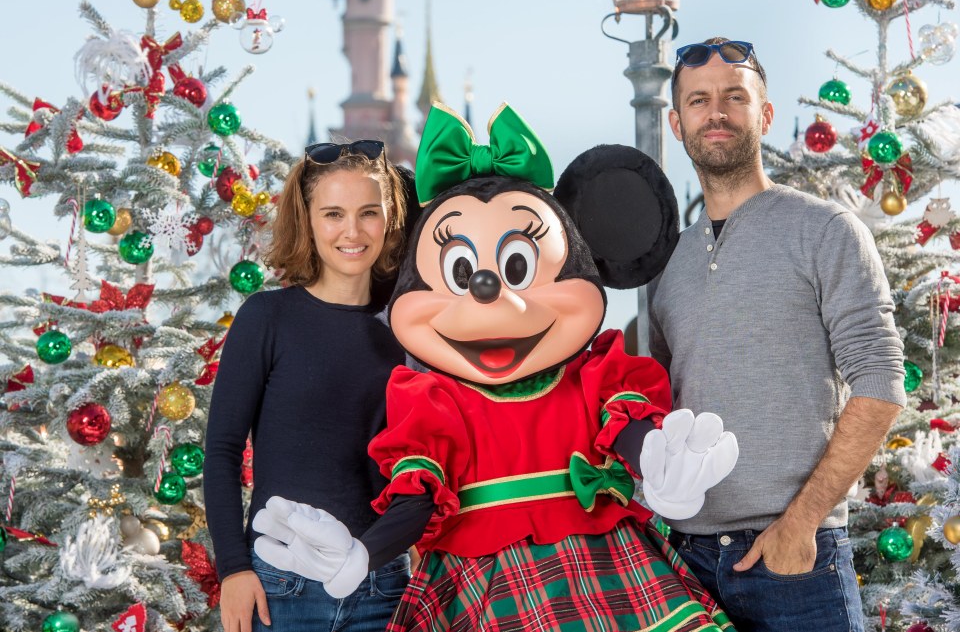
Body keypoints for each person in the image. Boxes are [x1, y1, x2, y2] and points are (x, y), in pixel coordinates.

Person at [252, 103, 740, 632]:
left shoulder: (591, 375)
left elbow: (625, 424)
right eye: (462, 272)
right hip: (482, 582)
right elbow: (419, 498)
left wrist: (656, 461)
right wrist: (361, 555)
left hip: (604, 565)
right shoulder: (433, 400)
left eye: (517, 267)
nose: (489, 292)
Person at [647, 38, 906, 631]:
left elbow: (881, 381)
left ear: (763, 114)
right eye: (699, 100)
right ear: (676, 121)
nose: (717, 113)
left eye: (735, 98)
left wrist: (803, 521)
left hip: (794, 562)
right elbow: (661, 405)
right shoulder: (671, 264)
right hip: (685, 568)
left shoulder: (826, 231)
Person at [203, 140, 413, 632]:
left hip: (384, 588)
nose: (352, 231)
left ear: (390, 219)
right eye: (333, 214)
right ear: (308, 220)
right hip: (281, 587)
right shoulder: (267, 318)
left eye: (369, 213)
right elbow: (222, 451)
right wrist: (233, 568)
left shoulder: (406, 330)